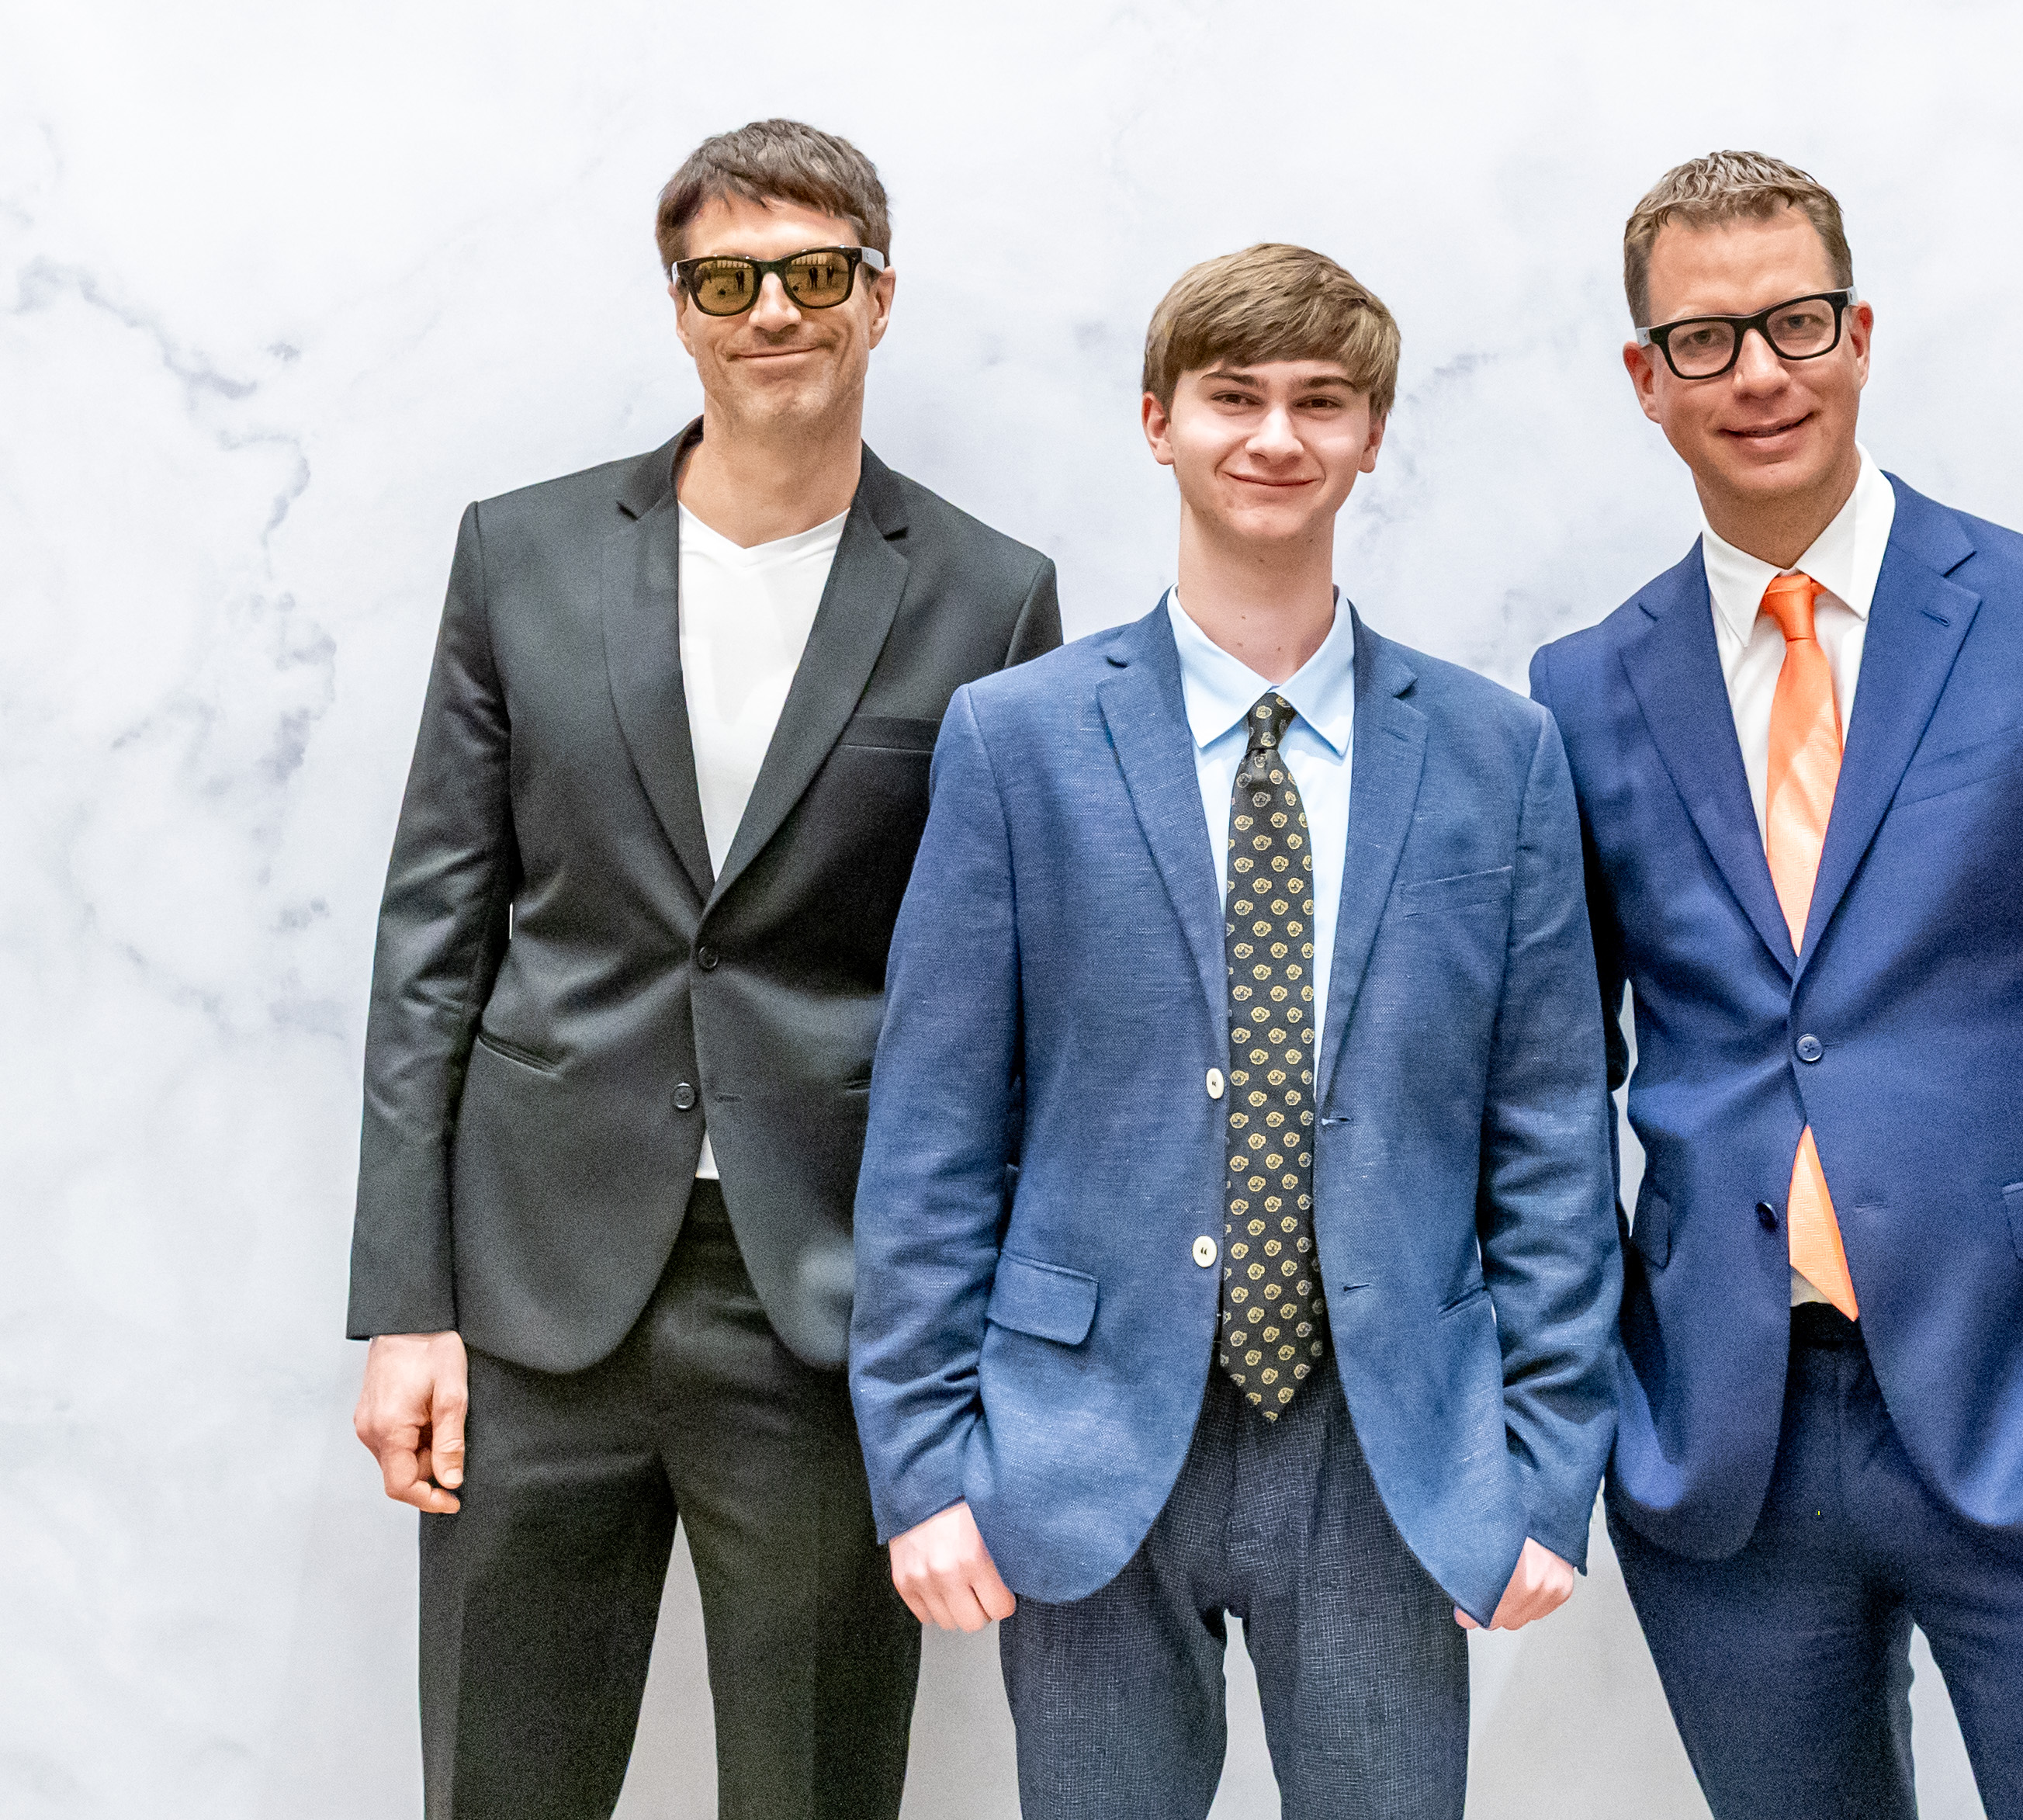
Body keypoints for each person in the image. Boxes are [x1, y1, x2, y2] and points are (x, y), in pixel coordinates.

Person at [1529, 151, 2023, 1819]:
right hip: (1727, 1450)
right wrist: (1593, 1399)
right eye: (1706, 339)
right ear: (1646, 379)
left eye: (1795, 323)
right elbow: (1553, 1086)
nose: (1759, 373)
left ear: (1859, 336)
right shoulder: (1582, 691)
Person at [847, 242, 1622, 1820]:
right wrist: (921, 1464)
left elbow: (1548, 1131)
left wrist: (1546, 1470)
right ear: (1158, 422)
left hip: (1390, 1443)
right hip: (1077, 1436)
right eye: (1233, 397)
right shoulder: (1017, 741)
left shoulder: (1500, 754)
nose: (1276, 436)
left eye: (1320, 402)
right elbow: (934, 1129)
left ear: (1371, 435)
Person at [345, 118, 1062, 1818]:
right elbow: (434, 936)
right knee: (505, 1788)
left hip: (823, 1297)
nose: (773, 313)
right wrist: (407, 1303)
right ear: (677, 309)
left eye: (813, 273)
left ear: (878, 296)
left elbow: (1008, 1001)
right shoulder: (520, 554)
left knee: (815, 1791)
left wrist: (980, 1334)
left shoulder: (989, 595)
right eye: (726, 282)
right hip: (533, 1293)